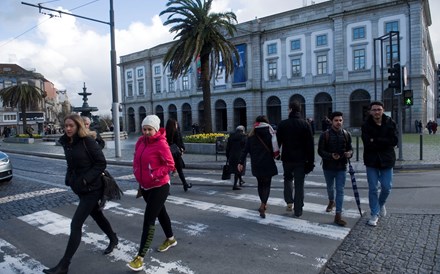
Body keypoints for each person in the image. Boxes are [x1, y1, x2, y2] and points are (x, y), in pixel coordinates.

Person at [43, 114, 118, 274]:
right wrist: (69, 179)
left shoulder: (87, 141)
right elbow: (71, 164)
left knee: (75, 224)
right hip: (81, 188)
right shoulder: (66, 142)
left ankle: (64, 265)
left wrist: (85, 180)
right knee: (97, 216)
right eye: (66, 126)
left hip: (93, 189)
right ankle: (113, 238)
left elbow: (101, 163)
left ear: (78, 126)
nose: (68, 129)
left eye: (71, 126)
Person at [128, 115, 177, 272]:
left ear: (156, 129)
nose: (147, 132)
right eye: (145, 129)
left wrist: (153, 174)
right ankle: (170, 239)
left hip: (160, 186)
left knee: (149, 219)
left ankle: (140, 258)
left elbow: (170, 164)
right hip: (146, 186)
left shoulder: (161, 144)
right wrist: (137, 172)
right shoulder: (140, 142)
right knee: (161, 213)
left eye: (150, 129)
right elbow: (137, 159)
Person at [361, 101, 398, 227]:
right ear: (370, 111)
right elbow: (367, 143)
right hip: (371, 160)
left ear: (383, 110)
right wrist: (383, 141)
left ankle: (381, 204)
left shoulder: (390, 122)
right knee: (373, 188)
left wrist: (376, 140)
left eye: (379, 109)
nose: (376, 112)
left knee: (387, 187)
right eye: (374, 110)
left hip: (387, 160)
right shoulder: (366, 125)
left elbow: (394, 141)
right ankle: (374, 213)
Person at [276, 100, 315, 217]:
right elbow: (310, 145)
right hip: (301, 160)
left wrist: (277, 154)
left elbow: (277, 142)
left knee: (287, 179)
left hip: (287, 158)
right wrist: (311, 162)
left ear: (290, 110)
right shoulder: (305, 124)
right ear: (300, 110)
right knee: (299, 184)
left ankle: (289, 201)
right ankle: (298, 210)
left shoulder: (283, 124)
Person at [238, 116, 278, 218]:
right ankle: (263, 204)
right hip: (268, 162)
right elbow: (275, 149)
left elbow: (245, 151)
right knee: (267, 185)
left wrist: (240, 162)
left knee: (260, 184)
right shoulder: (271, 134)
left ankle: (262, 203)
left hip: (256, 164)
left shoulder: (251, 136)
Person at [318, 111, 353, 226]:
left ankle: (338, 215)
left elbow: (350, 149)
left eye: (340, 120)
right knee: (330, 187)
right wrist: (330, 155)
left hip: (342, 167)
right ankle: (331, 201)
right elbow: (320, 151)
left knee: (340, 190)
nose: (339, 122)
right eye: (336, 120)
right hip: (328, 167)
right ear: (331, 121)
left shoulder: (347, 134)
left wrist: (349, 154)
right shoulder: (325, 135)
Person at [165, 118, 192, 192]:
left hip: (168, 154)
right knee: (180, 170)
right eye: (176, 124)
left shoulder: (165, 133)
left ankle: (166, 189)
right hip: (176, 154)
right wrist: (182, 149)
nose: (177, 125)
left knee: (166, 172)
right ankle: (185, 184)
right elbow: (179, 143)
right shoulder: (176, 132)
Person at [226, 125, 247, 190]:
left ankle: (240, 180)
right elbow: (246, 147)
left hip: (232, 155)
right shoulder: (244, 136)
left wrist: (227, 156)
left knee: (236, 170)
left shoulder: (231, 136)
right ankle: (235, 185)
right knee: (238, 170)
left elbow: (228, 147)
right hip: (240, 155)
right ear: (242, 130)